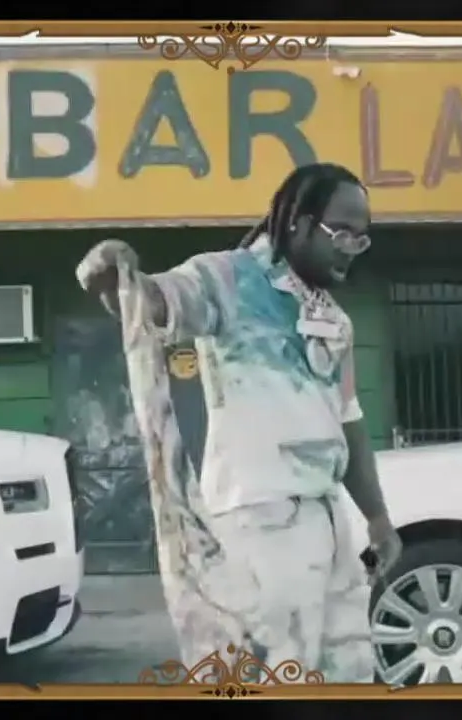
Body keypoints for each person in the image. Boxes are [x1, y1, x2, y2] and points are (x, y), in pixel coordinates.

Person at [76, 162, 403, 683]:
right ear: (298, 223)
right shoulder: (227, 279)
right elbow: (156, 304)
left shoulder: (334, 320)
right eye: (341, 232)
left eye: (360, 239)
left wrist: (378, 518)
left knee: (347, 672)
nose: (350, 248)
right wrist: (118, 282)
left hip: (328, 521)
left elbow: (349, 421)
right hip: (260, 523)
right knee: (274, 677)